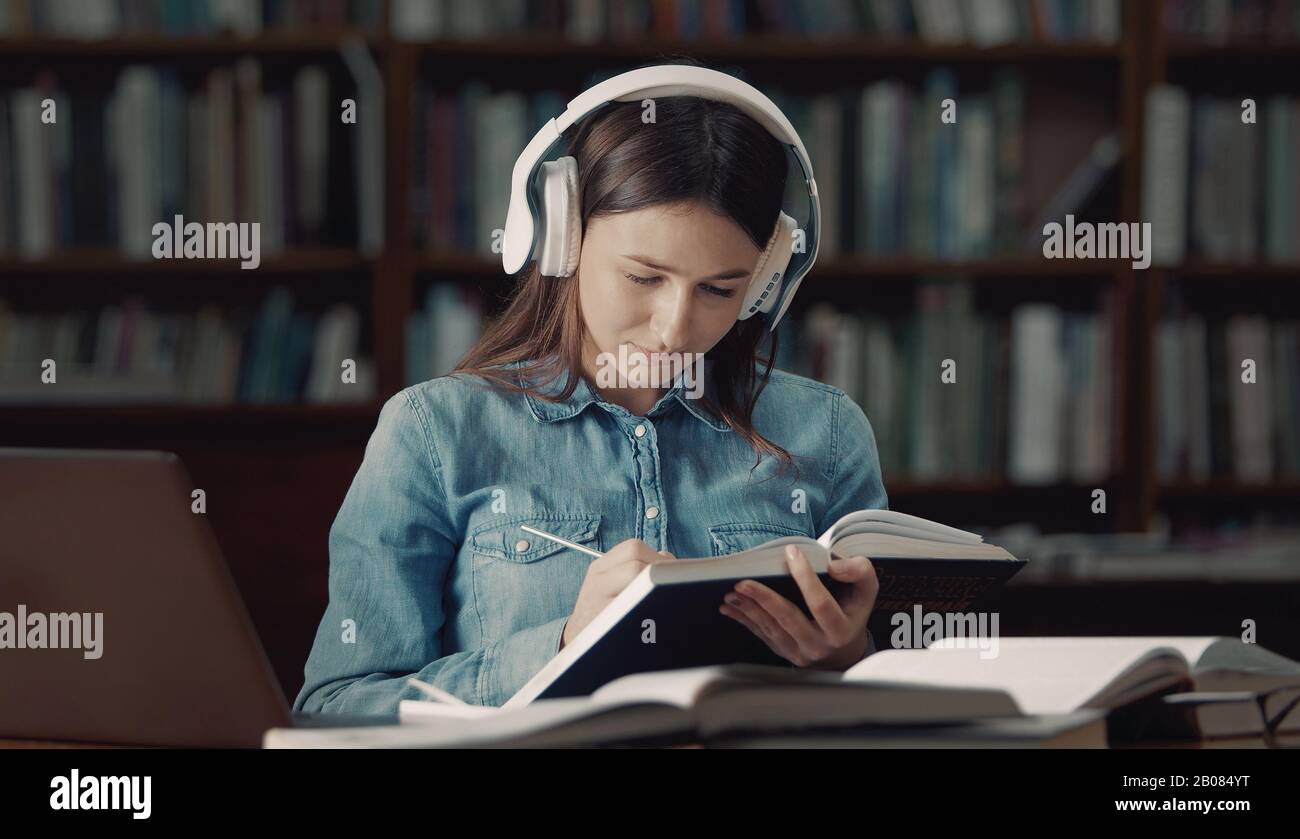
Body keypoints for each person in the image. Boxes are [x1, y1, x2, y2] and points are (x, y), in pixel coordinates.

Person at [295, 62, 888, 714]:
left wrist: (853, 660)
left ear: (767, 279)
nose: (674, 328)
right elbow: (336, 707)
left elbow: (911, 695)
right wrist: (564, 644)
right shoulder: (434, 433)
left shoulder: (826, 434)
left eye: (720, 289)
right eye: (643, 277)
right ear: (563, 234)